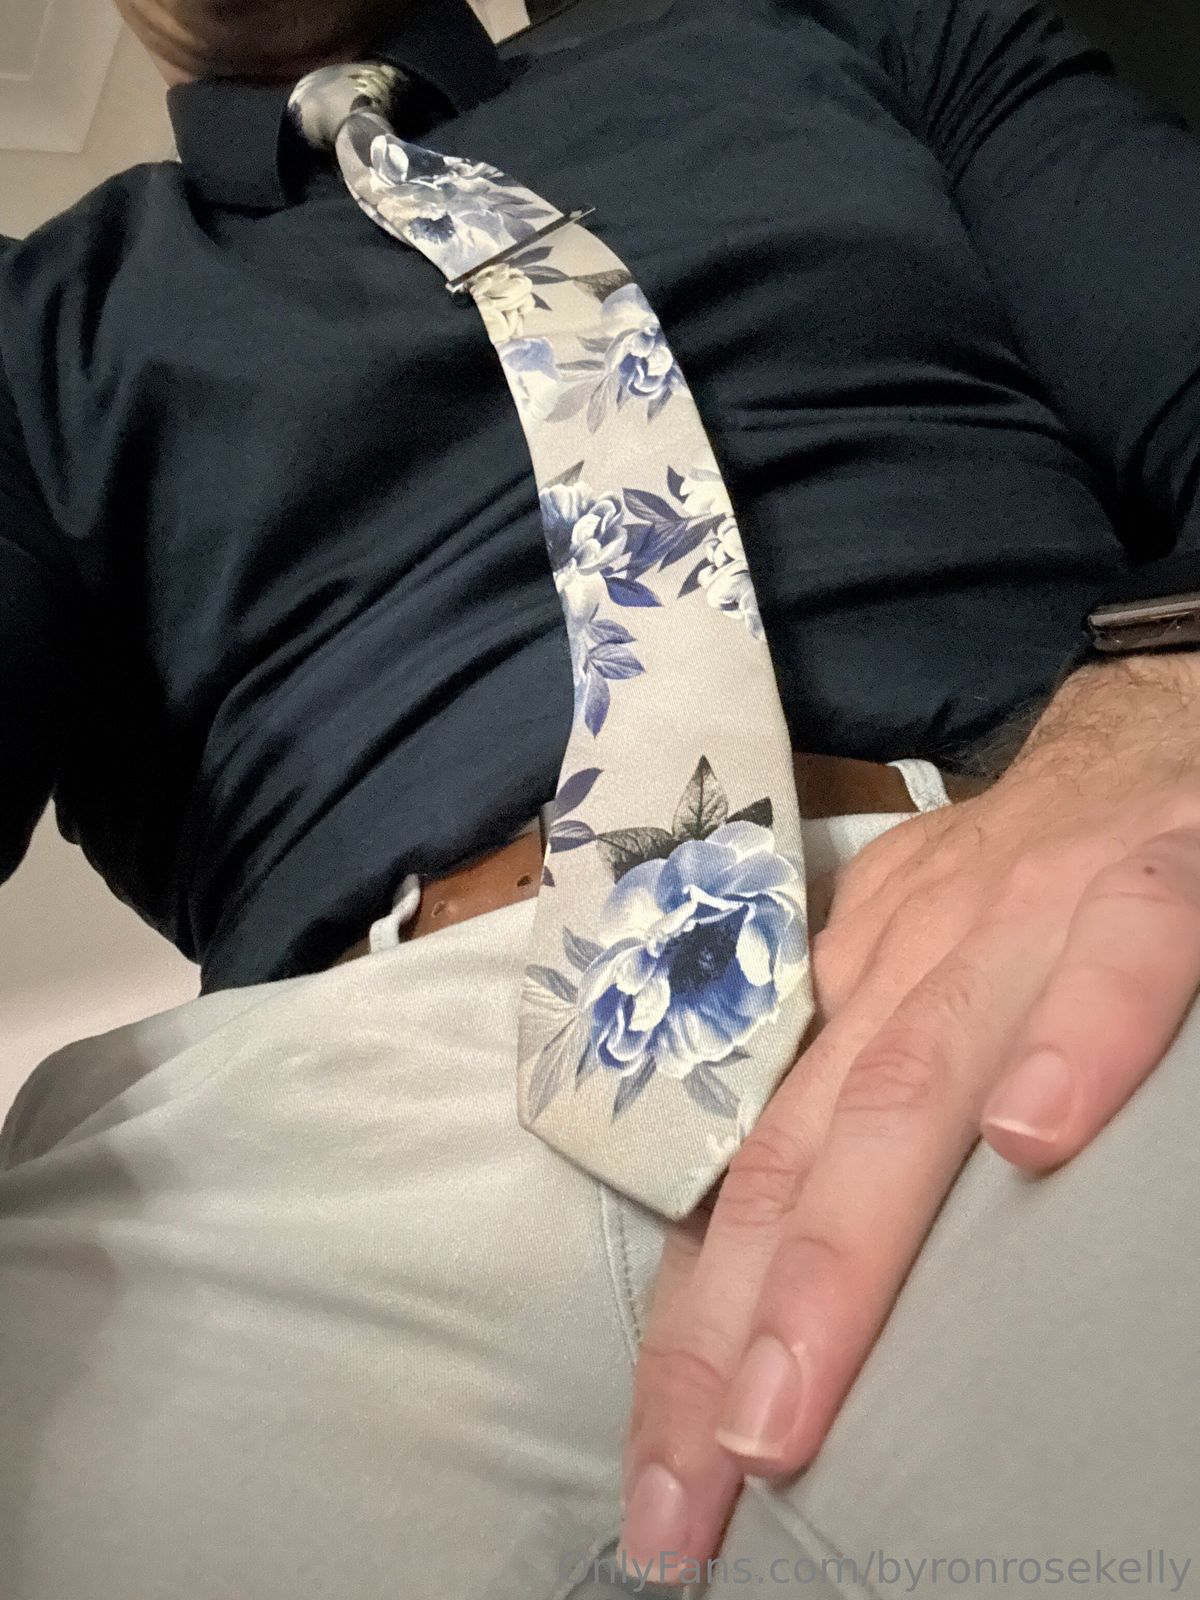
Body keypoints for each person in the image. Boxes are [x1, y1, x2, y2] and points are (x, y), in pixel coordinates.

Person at [1, 0, 1198, 1593]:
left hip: (1036, 920)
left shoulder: (850, 27)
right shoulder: (27, 328)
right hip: (276, 1179)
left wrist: (1171, 698)